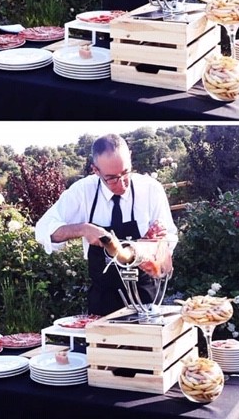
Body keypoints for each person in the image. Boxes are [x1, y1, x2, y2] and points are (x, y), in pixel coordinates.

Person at [35, 134, 177, 316]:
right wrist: (82, 229)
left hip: (146, 299)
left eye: (125, 172)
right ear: (96, 170)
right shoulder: (82, 191)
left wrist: (156, 251)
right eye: (111, 178)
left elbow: (168, 238)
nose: (122, 183)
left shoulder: (150, 189)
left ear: (130, 157)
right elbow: (43, 230)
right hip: (102, 301)